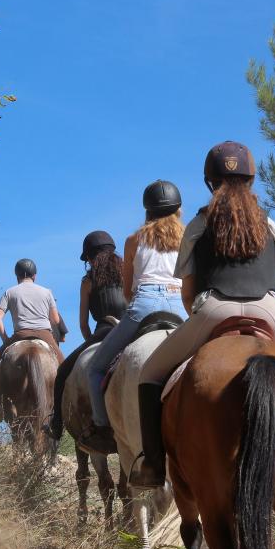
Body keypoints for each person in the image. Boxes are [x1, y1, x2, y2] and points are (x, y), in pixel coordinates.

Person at [129, 141, 275, 489]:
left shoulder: (199, 224)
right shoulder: (270, 224)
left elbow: (187, 292)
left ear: (209, 182)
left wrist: (200, 318)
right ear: (251, 179)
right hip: (268, 308)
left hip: (214, 309)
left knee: (150, 373)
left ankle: (154, 465)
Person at [78, 180, 186, 454]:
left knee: (95, 368)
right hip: (181, 305)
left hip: (144, 303)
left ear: (146, 210)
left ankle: (103, 429)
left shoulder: (133, 240)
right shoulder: (189, 238)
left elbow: (128, 290)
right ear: (178, 209)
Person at [43, 230, 127, 441]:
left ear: (90, 257)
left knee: (62, 372)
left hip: (103, 332)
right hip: (130, 329)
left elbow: (83, 323)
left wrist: (90, 341)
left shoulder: (88, 281)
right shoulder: (127, 272)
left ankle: (57, 425)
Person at [0, 258, 64, 367]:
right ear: (34, 276)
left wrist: (6, 339)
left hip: (20, 335)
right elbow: (55, 320)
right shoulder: (47, 292)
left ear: (17, 276)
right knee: (66, 369)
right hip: (45, 334)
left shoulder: (9, 292)